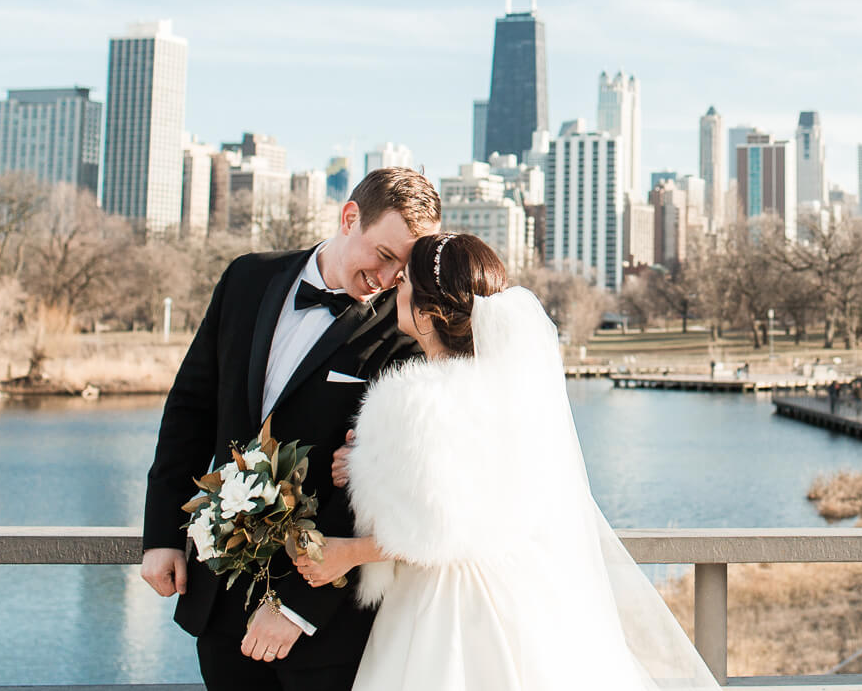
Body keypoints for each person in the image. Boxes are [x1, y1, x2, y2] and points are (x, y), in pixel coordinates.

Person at [296, 232, 719, 691]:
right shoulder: (512, 392)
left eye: (405, 282)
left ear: (426, 311)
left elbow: (433, 530)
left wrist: (345, 553)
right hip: (523, 594)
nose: (394, 287)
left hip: (446, 608)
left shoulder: (416, 399)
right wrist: (367, 461)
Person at [138, 166, 443, 691]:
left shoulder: (406, 334)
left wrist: (298, 609)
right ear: (350, 217)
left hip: (325, 622)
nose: (392, 277)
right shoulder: (246, 278)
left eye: (404, 266)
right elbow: (190, 408)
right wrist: (162, 534)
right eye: (385, 255)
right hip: (219, 595)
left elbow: (380, 486)